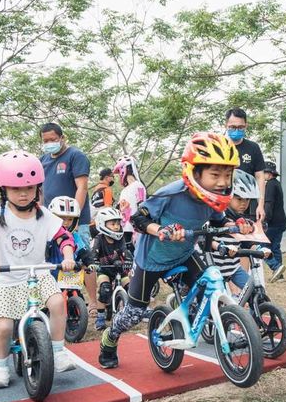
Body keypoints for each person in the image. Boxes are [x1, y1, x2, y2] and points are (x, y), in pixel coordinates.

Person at [97, 132, 253, 369]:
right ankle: (110, 337)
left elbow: (219, 222)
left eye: (227, 174)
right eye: (215, 174)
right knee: (134, 313)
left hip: (184, 254)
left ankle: (193, 317)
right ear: (195, 172)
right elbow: (139, 218)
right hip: (151, 260)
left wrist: (237, 224)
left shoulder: (214, 198)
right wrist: (160, 229)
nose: (223, 181)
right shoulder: (170, 193)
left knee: (208, 286)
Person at [0, 150, 76, 389]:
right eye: (16, 189)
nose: (24, 194)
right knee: (4, 327)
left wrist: (68, 256)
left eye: (30, 188)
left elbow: (65, 239)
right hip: (4, 278)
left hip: (37, 275)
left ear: (38, 188)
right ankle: (1, 367)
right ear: (3, 189)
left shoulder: (45, 215)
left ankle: (58, 353)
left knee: (58, 303)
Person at [39, 122, 98, 322]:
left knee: (82, 256)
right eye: (45, 141)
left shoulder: (75, 156)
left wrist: (75, 215)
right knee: (53, 258)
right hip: (50, 219)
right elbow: (40, 192)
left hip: (75, 220)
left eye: (53, 140)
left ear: (62, 138)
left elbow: (81, 187)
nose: (49, 144)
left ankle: (93, 302)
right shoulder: (43, 161)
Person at [209, 170, 270, 292]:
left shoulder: (242, 221)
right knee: (218, 300)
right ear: (227, 196)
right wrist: (221, 246)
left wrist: (259, 249)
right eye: (239, 199)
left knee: (256, 291)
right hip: (213, 269)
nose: (244, 203)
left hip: (233, 269)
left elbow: (247, 242)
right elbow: (206, 239)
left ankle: (256, 309)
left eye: (247, 199)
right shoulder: (215, 217)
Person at [92, 207, 131, 331]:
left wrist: (128, 260)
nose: (116, 226)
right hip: (105, 269)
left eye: (118, 223)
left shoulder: (121, 238)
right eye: (112, 224)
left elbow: (125, 251)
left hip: (119, 269)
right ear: (102, 224)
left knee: (131, 288)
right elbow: (93, 254)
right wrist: (94, 262)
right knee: (104, 289)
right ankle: (100, 317)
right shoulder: (99, 239)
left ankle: (131, 313)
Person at [225, 108, 267, 222]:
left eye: (240, 127)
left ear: (246, 126)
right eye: (233, 127)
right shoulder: (219, 145)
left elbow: (260, 176)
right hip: (222, 202)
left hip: (244, 203)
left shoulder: (253, 148)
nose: (236, 130)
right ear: (226, 125)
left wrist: (260, 205)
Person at [112, 155, 146, 250]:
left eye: (119, 172)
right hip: (123, 227)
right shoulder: (125, 190)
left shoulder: (138, 186)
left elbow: (142, 206)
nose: (119, 175)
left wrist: (138, 229)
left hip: (134, 229)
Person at [263, 161, 286, 283]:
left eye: (264, 172)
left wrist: (264, 220)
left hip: (272, 222)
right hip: (281, 221)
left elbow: (269, 204)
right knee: (275, 247)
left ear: (269, 173)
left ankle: (276, 267)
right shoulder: (277, 184)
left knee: (261, 247)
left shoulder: (270, 185)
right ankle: (279, 275)